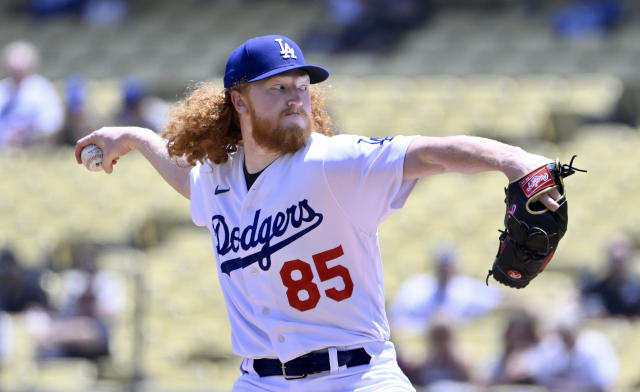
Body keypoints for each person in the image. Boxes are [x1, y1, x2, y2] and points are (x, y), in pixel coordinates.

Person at [74, 34, 563, 391]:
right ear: (239, 102)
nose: (295, 98)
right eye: (276, 88)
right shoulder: (219, 179)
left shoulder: (333, 162)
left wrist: (514, 160)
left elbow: (431, 152)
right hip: (260, 382)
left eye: (300, 86)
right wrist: (136, 139)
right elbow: (186, 179)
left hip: (358, 376)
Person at [389, 242, 502, 335]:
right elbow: (395, 320)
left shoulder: (467, 288)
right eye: (442, 265)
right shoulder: (415, 287)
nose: (444, 270)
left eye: (447, 265)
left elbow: (499, 301)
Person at [0, 40, 64, 148]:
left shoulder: (42, 89)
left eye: (20, 68)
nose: (16, 71)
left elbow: (53, 121)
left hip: (32, 149)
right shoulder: (2, 90)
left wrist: (28, 132)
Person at [581, 233, 640, 318]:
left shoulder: (636, 292)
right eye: (614, 260)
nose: (618, 255)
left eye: (620, 262)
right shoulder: (593, 287)